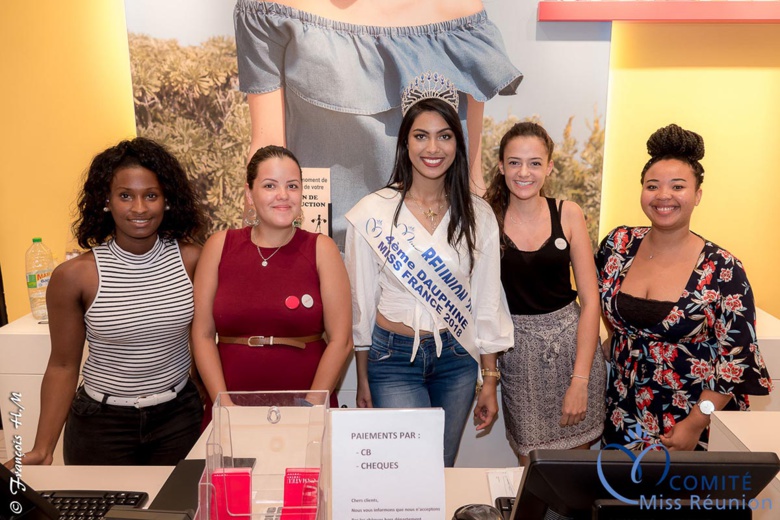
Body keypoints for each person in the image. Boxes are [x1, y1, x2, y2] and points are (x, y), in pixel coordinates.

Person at [234, 0, 523, 248]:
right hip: (322, 254)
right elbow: (266, 151)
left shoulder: (462, 17)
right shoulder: (271, 10)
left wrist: (483, 257)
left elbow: (470, 173)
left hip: (435, 264)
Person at [345, 73, 513, 467]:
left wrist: (489, 380)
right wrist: (363, 376)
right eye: (421, 136)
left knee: (438, 467)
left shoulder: (479, 215)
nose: (432, 148)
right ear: (405, 143)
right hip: (392, 360)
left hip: (457, 359)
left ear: (458, 143)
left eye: (444, 136)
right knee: (407, 470)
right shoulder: (374, 211)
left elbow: (486, 301)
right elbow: (361, 301)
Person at [15, 138, 207, 466]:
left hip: (179, 418)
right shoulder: (75, 276)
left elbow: (205, 340)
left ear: (167, 200)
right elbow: (62, 365)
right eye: (125, 196)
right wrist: (42, 448)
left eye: (151, 195)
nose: (139, 208)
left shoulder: (192, 260)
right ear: (106, 201)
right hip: (101, 425)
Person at [596, 124, 772, 451]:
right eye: (653, 186)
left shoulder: (722, 269)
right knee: (620, 500)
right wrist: (614, 335)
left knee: (682, 502)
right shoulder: (618, 245)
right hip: (624, 411)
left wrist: (695, 423)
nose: (663, 196)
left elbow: (734, 360)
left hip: (692, 421)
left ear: (697, 195)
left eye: (678, 186)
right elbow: (598, 295)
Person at [192, 145, 352, 419]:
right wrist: (224, 404)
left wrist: (310, 407)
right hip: (229, 406)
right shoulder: (219, 246)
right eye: (269, 185)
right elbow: (203, 335)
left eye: (292, 186)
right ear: (249, 194)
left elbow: (341, 340)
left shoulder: (321, 249)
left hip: (307, 406)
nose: (283, 195)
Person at [483, 122, 605, 464]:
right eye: (515, 162)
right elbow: (485, 308)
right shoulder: (487, 219)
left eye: (535, 163)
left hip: (574, 352)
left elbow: (590, 300)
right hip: (517, 356)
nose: (525, 172)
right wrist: (489, 378)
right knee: (533, 466)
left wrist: (580, 381)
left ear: (549, 167)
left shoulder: (568, 213)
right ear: (501, 166)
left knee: (574, 474)